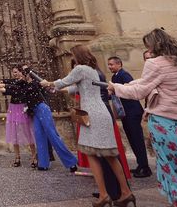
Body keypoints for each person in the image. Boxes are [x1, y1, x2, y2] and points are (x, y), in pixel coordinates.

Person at [110, 28, 177, 207]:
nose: (149, 51)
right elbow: (160, 84)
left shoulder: (155, 63)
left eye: (149, 47)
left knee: (173, 173)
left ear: (155, 45)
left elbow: (140, 91)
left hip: (164, 123)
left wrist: (116, 88)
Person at [41, 46, 133, 207]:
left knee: (92, 154)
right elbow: (75, 88)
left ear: (78, 56)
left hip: (91, 114)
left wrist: (47, 83)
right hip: (102, 113)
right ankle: (126, 192)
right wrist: (57, 89)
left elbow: (62, 82)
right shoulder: (92, 70)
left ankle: (104, 195)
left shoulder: (81, 69)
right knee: (109, 155)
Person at [21, 66, 77, 172]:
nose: (22, 74)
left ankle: (71, 162)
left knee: (52, 135)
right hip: (35, 111)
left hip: (42, 109)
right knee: (39, 135)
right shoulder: (25, 85)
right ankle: (43, 163)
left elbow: (50, 89)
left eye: (24, 72)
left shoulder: (36, 83)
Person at [107, 57, 151, 178]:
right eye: (108, 65)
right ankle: (140, 164)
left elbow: (131, 90)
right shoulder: (115, 76)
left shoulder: (124, 75)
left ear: (119, 64)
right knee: (132, 140)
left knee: (137, 140)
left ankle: (145, 167)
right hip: (125, 113)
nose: (109, 67)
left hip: (132, 112)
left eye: (111, 64)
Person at [0, 66, 37, 168]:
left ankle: (34, 156)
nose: (15, 74)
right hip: (13, 108)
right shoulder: (15, 82)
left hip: (22, 108)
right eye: (13, 72)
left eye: (16, 72)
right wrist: (2, 85)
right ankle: (17, 157)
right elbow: (9, 87)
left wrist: (3, 84)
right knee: (14, 133)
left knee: (28, 132)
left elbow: (13, 86)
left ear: (21, 72)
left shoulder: (24, 83)